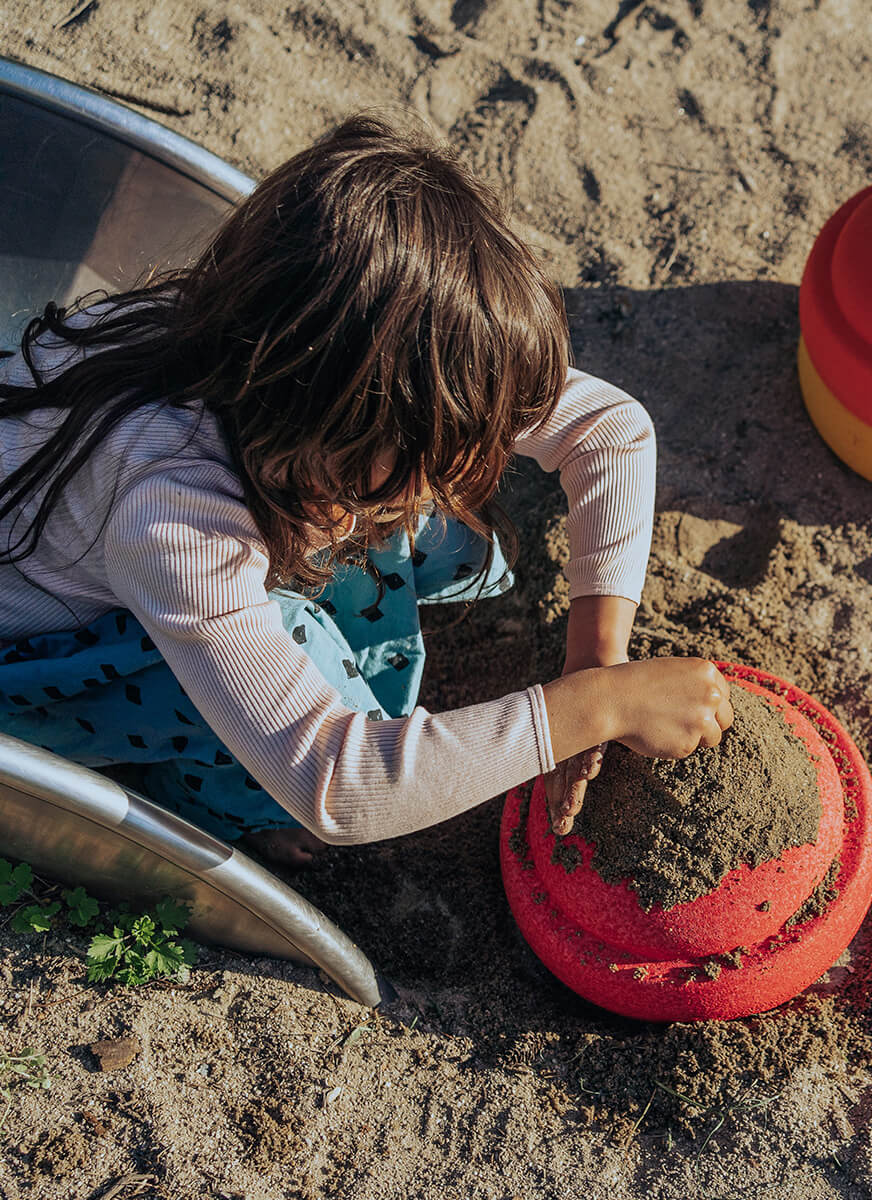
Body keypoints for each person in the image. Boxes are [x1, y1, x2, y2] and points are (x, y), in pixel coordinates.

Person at [0, 114, 732, 866]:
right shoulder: (173, 516)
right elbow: (339, 784)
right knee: (299, 680)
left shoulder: (293, 374)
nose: (450, 475)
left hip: (201, 520)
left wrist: (597, 658)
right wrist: (596, 708)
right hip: (34, 669)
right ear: (338, 411)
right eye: (424, 453)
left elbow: (609, 430)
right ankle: (214, 807)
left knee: (427, 527)